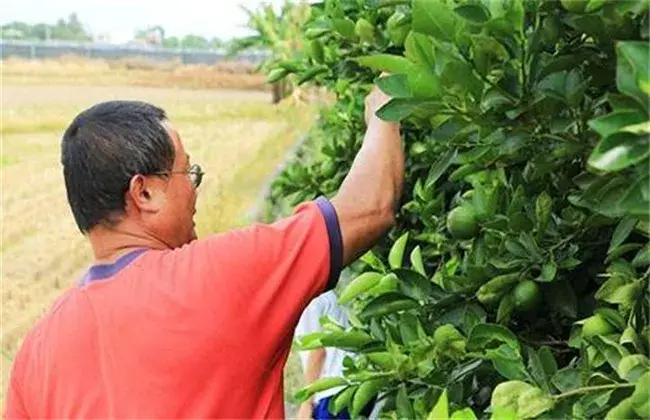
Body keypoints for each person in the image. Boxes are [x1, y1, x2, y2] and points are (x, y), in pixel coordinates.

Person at [4, 81, 404, 418]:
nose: (195, 188)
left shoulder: (37, 352)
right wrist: (387, 107)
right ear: (144, 192)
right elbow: (368, 208)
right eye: (187, 172)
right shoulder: (220, 275)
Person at [294, 290, 374, 419]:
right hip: (353, 384)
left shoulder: (307, 300)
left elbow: (317, 352)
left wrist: (306, 403)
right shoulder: (324, 293)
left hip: (335, 394)